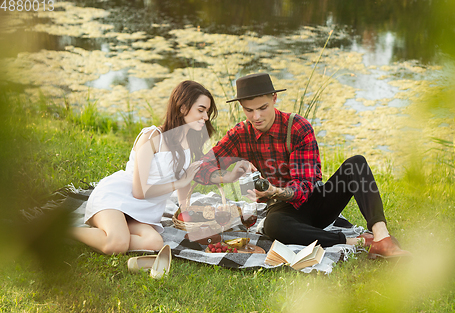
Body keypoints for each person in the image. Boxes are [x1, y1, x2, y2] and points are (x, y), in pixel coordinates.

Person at [194, 73, 410, 258]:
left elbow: (306, 186)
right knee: (273, 225)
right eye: (249, 111)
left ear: (274, 98)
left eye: (262, 108)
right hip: (284, 213)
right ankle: (357, 241)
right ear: (242, 107)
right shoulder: (241, 134)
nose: (256, 117)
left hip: (316, 202)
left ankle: (382, 238)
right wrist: (228, 176)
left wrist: (275, 191)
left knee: (356, 164)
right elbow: (199, 168)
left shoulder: (298, 127)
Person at [72, 81, 218, 254]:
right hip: (116, 198)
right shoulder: (152, 136)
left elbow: (184, 179)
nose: (206, 117)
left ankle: (116, 234)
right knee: (116, 245)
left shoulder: (189, 142)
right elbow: (139, 192)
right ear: (183, 108)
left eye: (207, 112)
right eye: (201, 110)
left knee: (154, 243)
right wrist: (178, 183)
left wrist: (187, 214)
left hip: (144, 212)